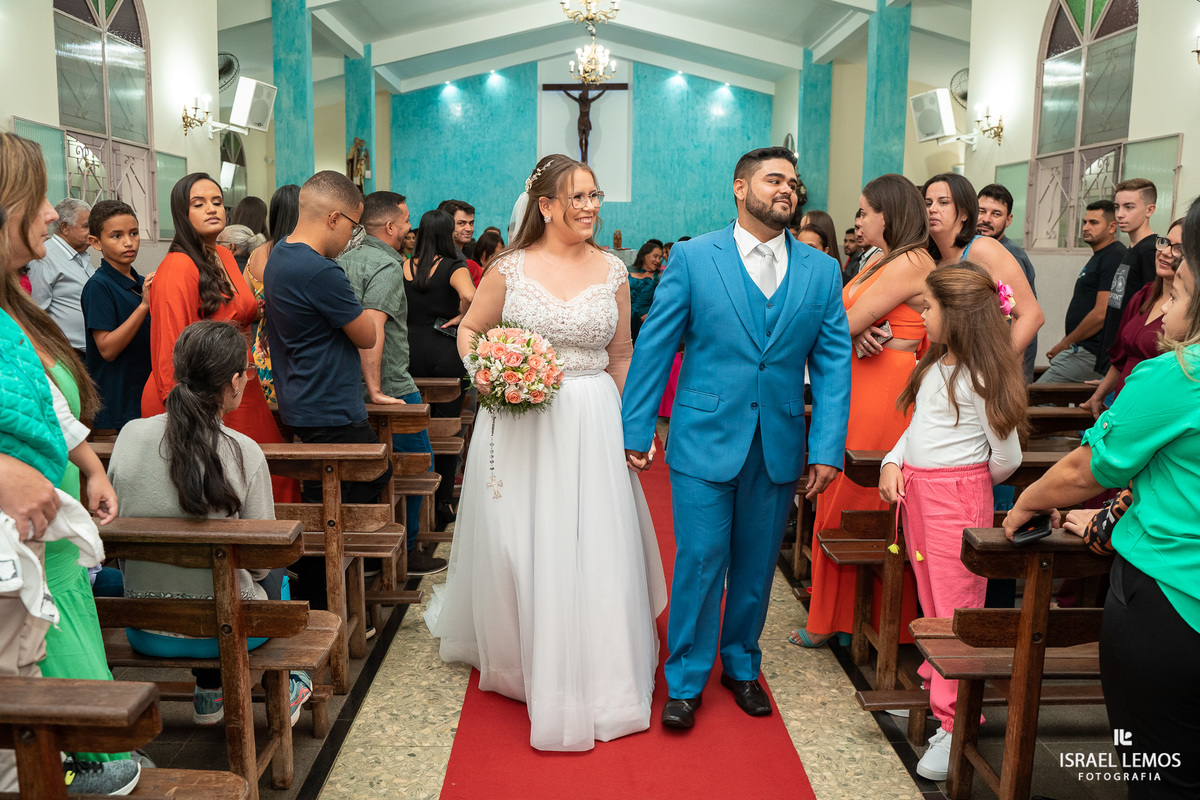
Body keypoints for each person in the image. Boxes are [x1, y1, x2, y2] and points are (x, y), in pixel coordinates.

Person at [427, 154, 667, 751]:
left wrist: (632, 426)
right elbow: (470, 330)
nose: (591, 207)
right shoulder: (508, 269)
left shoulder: (613, 270)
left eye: (595, 195)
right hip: (521, 420)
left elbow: (621, 356)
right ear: (546, 206)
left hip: (591, 416)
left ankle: (598, 665)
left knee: (594, 539)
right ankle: (520, 658)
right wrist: (490, 375)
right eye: (579, 197)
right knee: (521, 538)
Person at [623, 146, 852, 727]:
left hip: (778, 439)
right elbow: (655, 345)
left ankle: (742, 664)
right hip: (704, 434)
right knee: (700, 558)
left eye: (793, 183)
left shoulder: (822, 272)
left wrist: (826, 447)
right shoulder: (696, 258)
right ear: (739, 187)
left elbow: (832, 362)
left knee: (755, 565)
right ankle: (685, 678)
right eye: (773, 179)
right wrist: (637, 425)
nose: (786, 190)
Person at [1002, 200, 1200, 798]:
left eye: (1181, 283)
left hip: (1173, 605)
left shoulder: (1178, 377)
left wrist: (1027, 502)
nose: (1168, 299)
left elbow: (1087, 468)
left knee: (1158, 776)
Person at [0, 131, 141, 796]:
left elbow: (45, 397)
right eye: (41, 198)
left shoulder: (12, 301)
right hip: (16, 539)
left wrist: (89, 463)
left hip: (47, 530)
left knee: (75, 695)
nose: (55, 213)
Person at [110, 320, 311, 726]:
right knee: (276, 573)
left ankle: (210, 688)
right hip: (229, 628)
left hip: (146, 626)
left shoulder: (130, 436)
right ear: (235, 381)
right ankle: (286, 681)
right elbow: (259, 563)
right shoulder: (243, 452)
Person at [879, 265, 1026, 780]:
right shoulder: (938, 365)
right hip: (920, 495)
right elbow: (917, 430)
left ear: (958, 317)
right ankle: (936, 686)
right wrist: (893, 461)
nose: (922, 314)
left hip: (953, 501)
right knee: (932, 598)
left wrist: (959, 483)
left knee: (957, 609)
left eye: (930, 307)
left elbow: (1006, 456)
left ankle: (957, 718)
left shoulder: (981, 377)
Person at [795, 173, 933, 648]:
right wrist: (850, 334)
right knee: (840, 498)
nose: (856, 221)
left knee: (861, 502)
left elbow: (839, 321)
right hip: (862, 381)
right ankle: (836, 618)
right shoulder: (881, 259)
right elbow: (843, 322)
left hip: (885, 393)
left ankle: (857, 623)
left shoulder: (911, 260)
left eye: (862, 211)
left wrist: (849, 332)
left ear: (886, 215)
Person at [264, 170, 391, 609]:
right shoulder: (320, 270)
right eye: (355, 226)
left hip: (301, 397)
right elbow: (366, 336)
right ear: (334, 218)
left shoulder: (280, 254)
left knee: (323, 506)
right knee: (353, 497)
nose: (355, 236)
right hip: (330, 405)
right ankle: (327, 602)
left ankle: (329, 594)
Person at [141, 173, 297, 505]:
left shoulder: (224, 257)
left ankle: (272, 555)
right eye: (198, 204)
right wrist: (189, 424)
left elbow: (241, 309)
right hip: (205, 399)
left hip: (240, 385)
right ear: (182, 214)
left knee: (273, 477)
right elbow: (169, 354)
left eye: (217, 202)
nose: (212, 209)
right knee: (229, 489)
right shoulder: (176, 269)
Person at [338, 191, 446, 576]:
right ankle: (408, 550)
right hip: (390, 384)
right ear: (389, 227)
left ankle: (372, 551)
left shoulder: (343, 259)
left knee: (371, 474)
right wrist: (378, 389)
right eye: (405, 223)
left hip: (347, 385)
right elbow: (374, 328)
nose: (409, 230)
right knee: (418, 467)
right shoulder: (385, 266)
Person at [404, 209, 476, 529]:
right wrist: (462, 317)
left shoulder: (403, 265)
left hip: (408, 351)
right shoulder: (452, 265)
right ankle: (443, 502)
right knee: (447, 426)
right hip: (444, 349)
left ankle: (416, 497)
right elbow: (471, 296)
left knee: (414, 426)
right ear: (447, 234)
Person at [923, 173, 1044, 358]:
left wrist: (997, 369)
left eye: (943, 202)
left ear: (964, 213)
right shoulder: (931, 258)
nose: (933, 209)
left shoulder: (983, 249)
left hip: (982, 370)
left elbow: (1031, 315)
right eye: (928, 203)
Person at [1082, 217, 1184, 417]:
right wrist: (1099, 395)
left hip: (1154, 412)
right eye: (1165, 242)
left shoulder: (1189, 311)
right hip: (1122, 405)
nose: (1165, 251)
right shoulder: (1143, 296)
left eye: (1178, 248)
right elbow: (1122, 358)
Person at [80, 200, 154, 432]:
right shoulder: (99, 286)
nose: (128, 242)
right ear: (95, 242)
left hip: (145, 396)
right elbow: (107, 349)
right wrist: (143, 307)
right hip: (118, 404)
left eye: (133, 233)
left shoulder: (141, 283)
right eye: (116, 236)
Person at [1037, 200, 1126, 384]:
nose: (1085, 227)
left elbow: (1102, 313)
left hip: (1092, 352)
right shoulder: (1100, 256)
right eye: (1084, 222)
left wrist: (1065, 343)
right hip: (1080, 348)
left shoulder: (1114, 256)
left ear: (1112, 227)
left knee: (1036, 397)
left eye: (1093, 223)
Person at [243, 184, 301, 405]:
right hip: (298, 354)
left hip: (264, 353)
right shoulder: (305, 255)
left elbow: (245, 306)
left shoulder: (257, 254)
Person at [1095, 178, 1158, 376]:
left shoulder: (1150, 250)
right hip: (1113, 357)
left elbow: (1150, 311)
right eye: (1117, 207)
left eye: (1129, 207)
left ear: (1149, 210)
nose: (1120, 214)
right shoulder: (1132, 249)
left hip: (1130, 361)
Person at [977, 183, 1038, 381]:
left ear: (1008, 219)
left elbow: (1013, 316)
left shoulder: (1009, 255)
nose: (986, 219)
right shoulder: (976, 247)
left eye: (996, 214)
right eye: (981, 211)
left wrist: (1006, 369)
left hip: (1005, 364)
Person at [28, 198, 93, 359]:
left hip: (90, 355)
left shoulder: (82, 256)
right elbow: (36, 313)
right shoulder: (45, 257)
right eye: (86, 226)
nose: (92, 232)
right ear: (64, 227)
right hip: (65, 355)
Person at [628, 238, 662, 341]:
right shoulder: (627, 271)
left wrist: (651, 315)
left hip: (646, 320)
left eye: (660, 258)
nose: (658, 261)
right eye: (655, 256)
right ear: (644, 255)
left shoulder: (660, 277)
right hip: (625, 318)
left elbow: (665, 301)